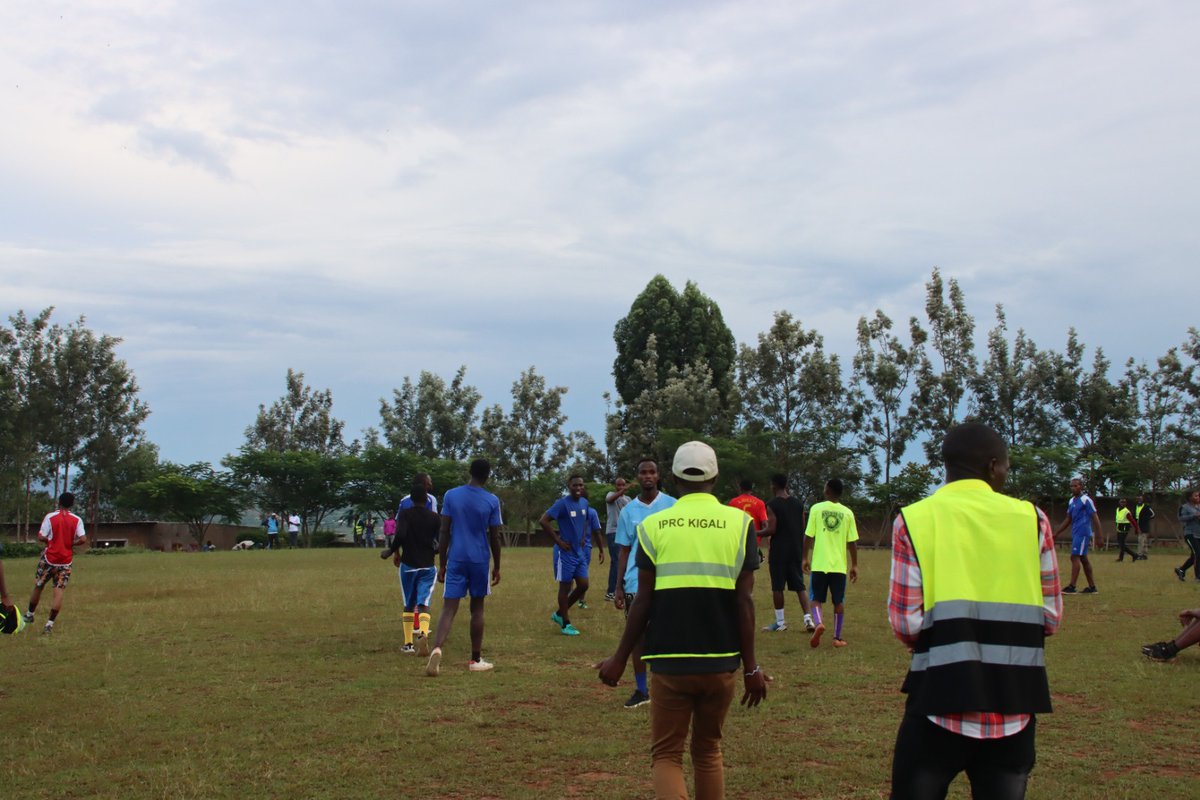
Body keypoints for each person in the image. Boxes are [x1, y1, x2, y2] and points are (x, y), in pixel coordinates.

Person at [888, 422, 1062, 800]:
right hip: (1015, 702)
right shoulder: (1034, 520)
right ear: (992, 465)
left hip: (938, 699)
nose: (1005, 473)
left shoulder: (914, 520)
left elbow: (907, 624)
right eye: (1006, 467)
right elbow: (1050, 618)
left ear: (947, 466)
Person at [598, 441, 767, 799]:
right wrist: (751, 667)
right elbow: (745, 602)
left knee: (667, 755)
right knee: (708, 751)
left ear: (672, 478)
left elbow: (642, 601)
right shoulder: (741, 524)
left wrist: (619, 658)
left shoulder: (653, 526)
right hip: (720, 661)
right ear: (716, 477)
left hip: (669, 662)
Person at [426, 458, 503, 676]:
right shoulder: (491, 500)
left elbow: (444, 531)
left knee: (449, 607)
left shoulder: (451, 495)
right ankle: (475, 659)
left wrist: (442, 564)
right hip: (479, 559)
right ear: (487, 475)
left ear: (469, 472)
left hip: (456, 557)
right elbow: (495, 537)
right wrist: (497, 566)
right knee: (477, 609)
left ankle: (437, 648)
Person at [612, 458, 676, 709]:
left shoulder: (673, 505)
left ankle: (669, 686)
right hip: (635, 583)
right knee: (637, 637)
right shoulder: (628, 511)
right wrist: (618, 586)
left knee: (669, 636)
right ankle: (641, 689)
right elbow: (624, 551)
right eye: (643, 472)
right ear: (637, 477)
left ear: (658, 476)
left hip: (670, 580)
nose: (647, 476)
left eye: (652, 472)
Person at [382, 477, 440, 655]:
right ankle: (423, 633)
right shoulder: (434, 517)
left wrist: (391, 551)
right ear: (426, 498)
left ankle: (408, 644)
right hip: (427, 566)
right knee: (424, 603)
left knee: (409, 603)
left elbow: (400, 535)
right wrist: (436, 551)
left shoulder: (406, 514)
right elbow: (441, 540)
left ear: (412, 499)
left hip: (408, 565)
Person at [540, 475, 603, 636]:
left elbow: (584, 523)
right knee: (565, 587)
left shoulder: (584, 503)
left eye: (581, 485)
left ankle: (559, 613)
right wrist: (558, 540)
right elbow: (544, 520)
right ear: (569, 485)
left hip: (579, 552)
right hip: (565, 553)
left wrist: (582, 538)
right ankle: (566, 624)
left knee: (584, 585)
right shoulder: (562, 504)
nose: (578, 488)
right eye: (575, 485)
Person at [802, 478, 858, 648]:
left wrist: (804, 558)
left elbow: (808, 536)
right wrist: (854, 565)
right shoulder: (847, 513)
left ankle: (818, 623)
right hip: (839, 566)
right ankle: (837, 638)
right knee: (838, 601)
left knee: (815, 599)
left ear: (827, 491)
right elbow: (852, 542)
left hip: (819, 564)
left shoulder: (816, 509)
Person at [23, 492, 88, 635]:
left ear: (59, 502)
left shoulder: (50, 517)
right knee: (58, 592)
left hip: (49, 558)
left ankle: (29, 614)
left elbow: (41, 536)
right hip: (65, 561)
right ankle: (49, 625)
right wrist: (71, 543)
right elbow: (83, 539)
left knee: (39, 585)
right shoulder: (77, 519)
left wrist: (49, 541)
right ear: (72, 504)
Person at [760, 473, 815, 633]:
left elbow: (772, 529)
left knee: (777, 586)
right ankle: (808, 620)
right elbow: (802, 527)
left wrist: (755, 532)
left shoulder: (772, 504)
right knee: (799, 586)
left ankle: (780, 622)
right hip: (796, 550)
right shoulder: (798, 504)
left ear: (774, 485)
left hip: (779, 551)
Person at [1053, 478, 1100, 594]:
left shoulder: (1086, 500)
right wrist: (1057, 533)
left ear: (1081, 487)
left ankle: (1072, 586)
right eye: (1071, 486)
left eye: (1075, 486)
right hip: (1076, 533)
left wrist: (1100, 536)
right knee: (1083, 559)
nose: (1073, 488)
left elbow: (1095, 517)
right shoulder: (1072, 501)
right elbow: (1068, 519)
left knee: (1074, 557)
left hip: (1083, 532)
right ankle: (1092, 587)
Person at [604, 477, 634, 601]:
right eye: (619, 485)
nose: (621, 487)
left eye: (623, 485)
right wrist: (623, 490)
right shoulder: (611, 495)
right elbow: (610, 499)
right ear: (615, 486)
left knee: (626, 561)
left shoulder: (628, 499)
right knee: (616, 561)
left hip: (626, 532)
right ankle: (611, 592)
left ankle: (623, 588)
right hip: (613, 532)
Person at [728, 479, 768, 563]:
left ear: (741, 488)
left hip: (737, 539)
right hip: (753, 539)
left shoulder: (733, 502)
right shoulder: (760, 503)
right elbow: (765, 523)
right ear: (751, 489)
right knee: (751, 568)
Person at [1174, 489, 1200, 582]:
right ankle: (1198, 577)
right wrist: (1194, 515)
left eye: (1198, 495)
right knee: (1198, 554)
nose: (1198, 497)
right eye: (1196, 496)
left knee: (1195, 555)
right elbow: (1181, 518)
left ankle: (1181, 570)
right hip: (1190, 534)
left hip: (1199, 534)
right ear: (1190, 498)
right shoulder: (1185, 507)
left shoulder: (1199, 506)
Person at [1134, 493, 1155, 560]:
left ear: (1143, 499)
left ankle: (1140, 555)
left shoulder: (1146, 507)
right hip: (1138, 526)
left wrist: (1145, 519)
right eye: (1138, 498)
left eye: (1140, 498)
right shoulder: (1136, 507)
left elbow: (1153, 514)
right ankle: (1144, 554)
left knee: (1141, 540)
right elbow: (1135, 517)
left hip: (1144, 527)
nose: (1139, 499)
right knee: (1142, 541)